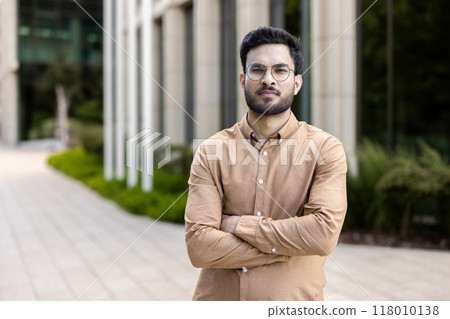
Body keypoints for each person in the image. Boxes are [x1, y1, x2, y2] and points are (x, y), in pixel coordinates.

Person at [184, 26, 347, 301]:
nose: (268, 80)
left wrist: (236, 225)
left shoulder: (325, 150)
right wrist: (290, 249)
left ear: (296, 83)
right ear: (242, 79)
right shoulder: (211, 151)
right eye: (257, 70)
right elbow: (200, 247)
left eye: (280, 71)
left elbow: (321, 235)